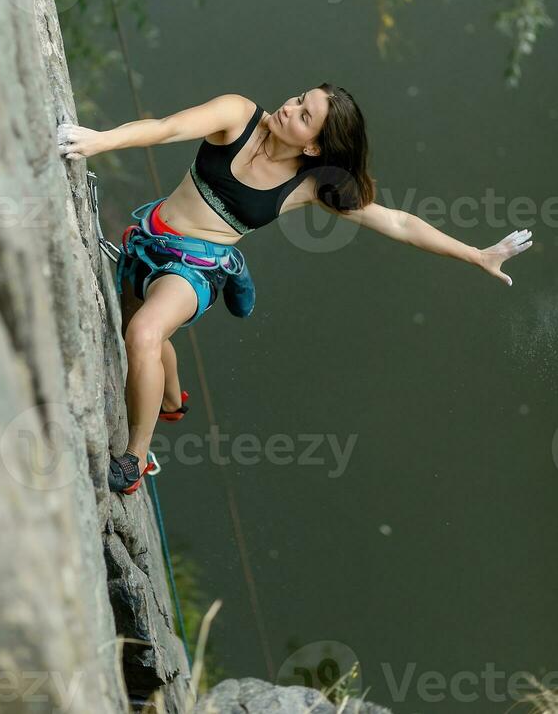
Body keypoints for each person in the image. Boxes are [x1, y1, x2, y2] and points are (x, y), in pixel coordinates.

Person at [57, 84, 533, 493]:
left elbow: (399, 222)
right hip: (149, 240)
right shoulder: (237, 114)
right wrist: (101, 141)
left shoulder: (307, 185)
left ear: (312, 147)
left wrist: (477, 254)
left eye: (305, 115)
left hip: (195, 272)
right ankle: (171, 401)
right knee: (142, 338)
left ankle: (135, 459)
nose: (289, 107)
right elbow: (165, 127)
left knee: (144, 335)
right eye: (300, 98)